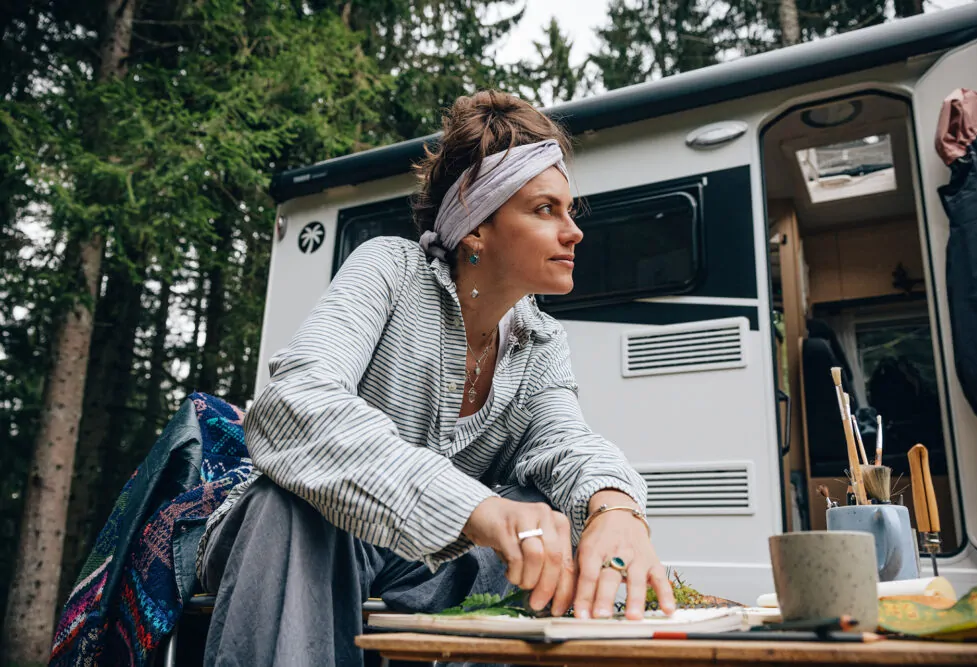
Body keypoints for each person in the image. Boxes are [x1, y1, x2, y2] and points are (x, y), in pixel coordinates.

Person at [197, 90, 673, 667]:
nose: (573, 231)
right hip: (292, 544)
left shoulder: (542, 341)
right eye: (545, 209)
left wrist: (615, 508)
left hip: (420, 563)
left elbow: (566, 443)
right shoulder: (390, 271)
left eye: (569, 212)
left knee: (549, 513)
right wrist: (480, 510)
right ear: (475, 225)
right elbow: (295, 401)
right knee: (291, 501)